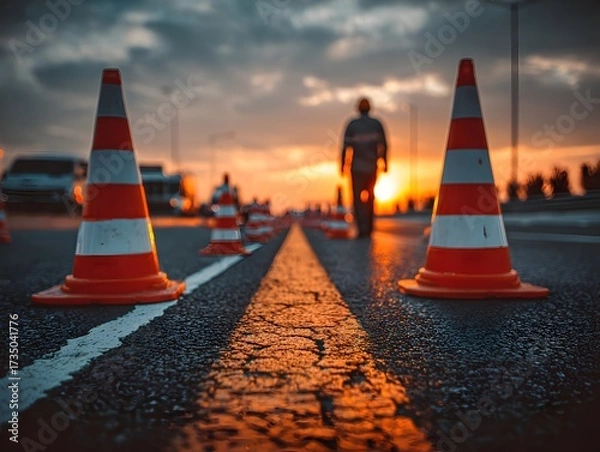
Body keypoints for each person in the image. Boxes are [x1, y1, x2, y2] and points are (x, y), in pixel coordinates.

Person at [340, 97, 388, 237]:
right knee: (371, 197)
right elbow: (384, 145)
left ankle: (362, 228)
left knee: (357, 199)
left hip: (356, 168)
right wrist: (385, 162)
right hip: (371, 167)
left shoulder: (352, 125)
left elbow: (345, 147)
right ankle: (369, 228)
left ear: (358, 109)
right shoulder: (376, 124)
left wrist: (342, 165)